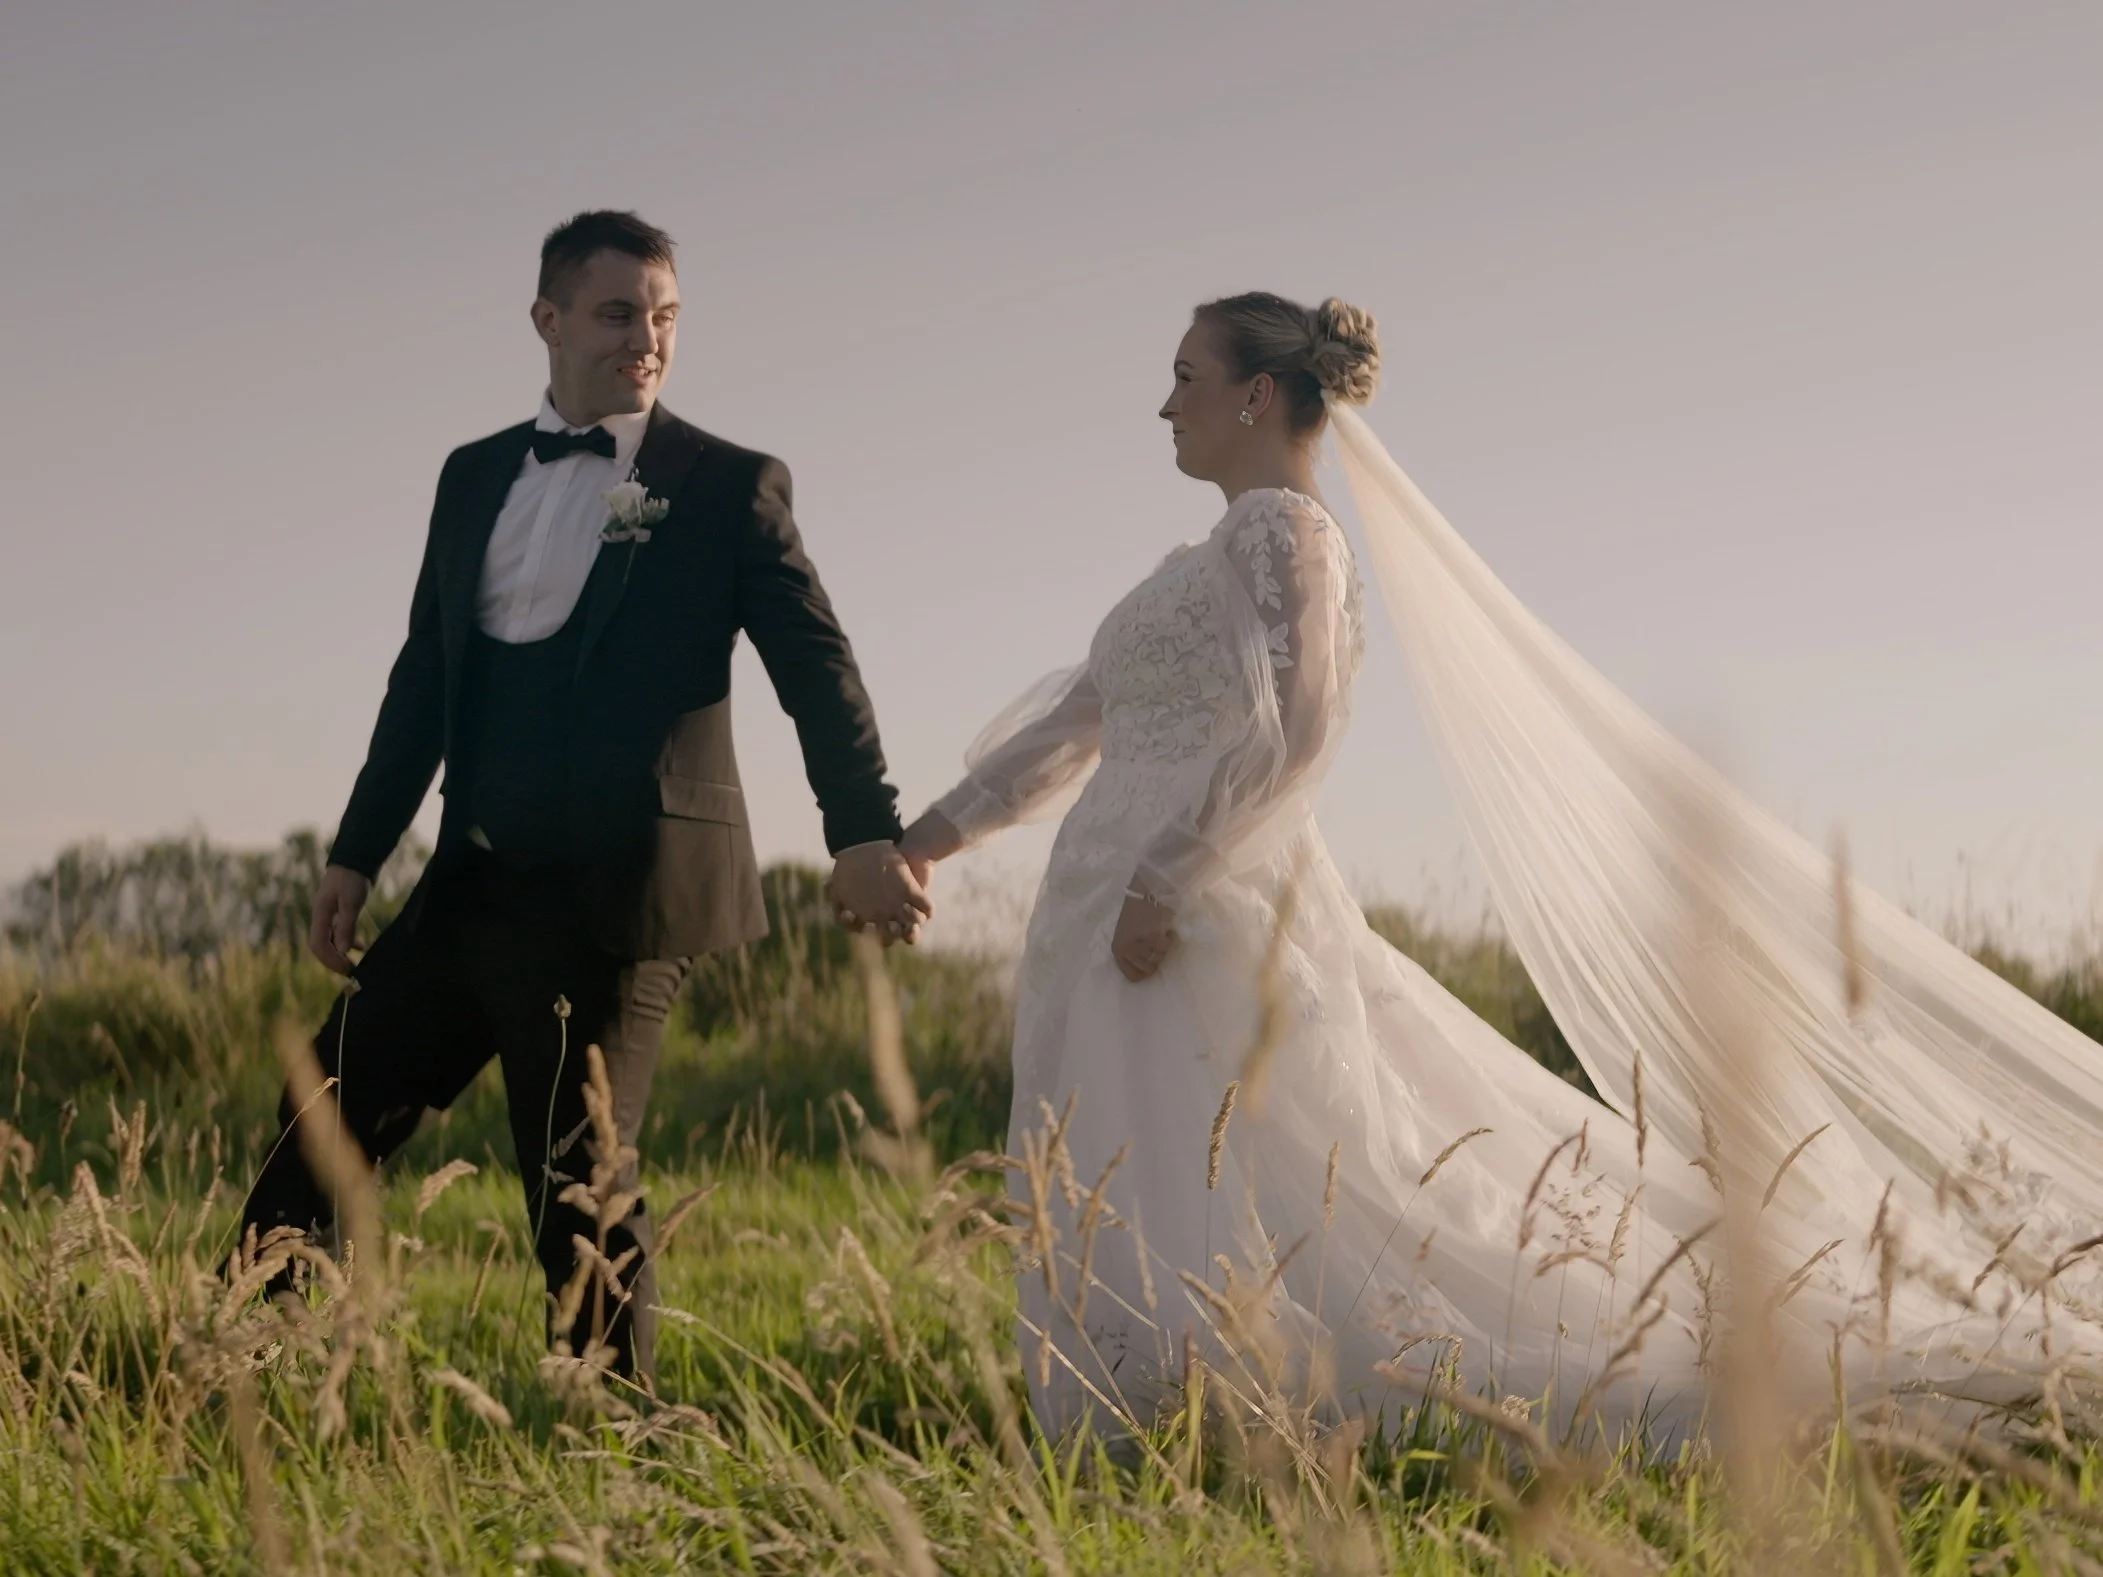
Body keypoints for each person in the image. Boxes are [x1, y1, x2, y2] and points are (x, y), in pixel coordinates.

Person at [897, 291, 2103, 1443]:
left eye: (1185, 378)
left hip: (1202, 905)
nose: (1165, 405)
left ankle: (1250, 1388)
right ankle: (1163, 1388)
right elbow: (1073, 725)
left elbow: (1305, 724)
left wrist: (1166, 873)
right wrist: (918, 845)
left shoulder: (1288, 534)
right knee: (1138, 1150)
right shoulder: (1194, 563)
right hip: (1112, 915)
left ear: (1258, 393)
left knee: (1275, 1161)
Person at [236, 210, 931, 1386]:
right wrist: (358, 849)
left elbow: (817, 662)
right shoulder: (469, 479)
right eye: (618, 314)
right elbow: (425, 679)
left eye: (664, 317)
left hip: (621, 900)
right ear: (548, 320)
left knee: (577, 1185)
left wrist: (862, 827)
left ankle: (612, 1450)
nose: (645, 340)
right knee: (320, 1128)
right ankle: (243, 1376)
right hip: (468, 883)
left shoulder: (722, 485)